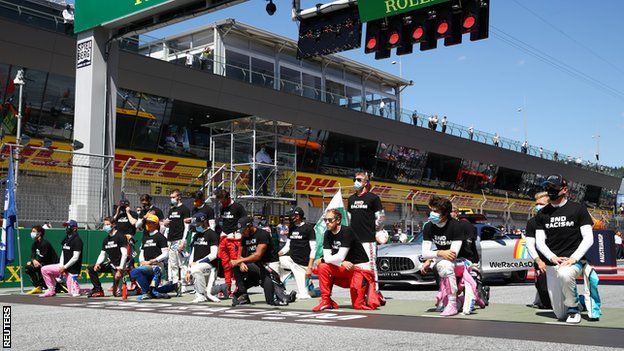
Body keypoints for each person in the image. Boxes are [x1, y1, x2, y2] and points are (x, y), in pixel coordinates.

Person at [535, 175, 595, 323]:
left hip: (574, 261)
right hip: (552, 263)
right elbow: (539, 241)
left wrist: (574, 258)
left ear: (565, 190)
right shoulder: (542, 213)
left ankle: (574, 309)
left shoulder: (578, 208)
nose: (550, 190)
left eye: (554, 188)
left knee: (565, 273)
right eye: (548, 187)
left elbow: (589, 238)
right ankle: (579, 301)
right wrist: (551, 258)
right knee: (560, 314)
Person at [313, 209, 379, 311]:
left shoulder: (347, 231)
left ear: (338, 220)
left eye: (330, 220)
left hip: (359, 269)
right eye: (325, 220)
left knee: (358, 306)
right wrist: (340, 262)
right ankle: (325, 301)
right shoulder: (327, 233)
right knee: (323, 267)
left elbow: (338, 257)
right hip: (345, 268)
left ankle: (375, 294)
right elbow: (330, 257)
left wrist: (328, 260)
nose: (327, 222)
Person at [419, 197, 469, 316]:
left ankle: (452, 304)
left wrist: (433, 256)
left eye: (436, 211)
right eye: (431, 210)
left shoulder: (456, 226)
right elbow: (425, 253)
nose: (432, 214)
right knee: (442, 264)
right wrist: (438, 254)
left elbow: (452, 255)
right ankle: (456, 300)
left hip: (463, 261)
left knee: (444, 265)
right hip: (444, 259)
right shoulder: (428, 226)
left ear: (445, 213)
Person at [230, 216, 293, 306]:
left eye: (244, 230)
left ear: (250, 226)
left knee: (271, 300)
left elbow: (257, 256)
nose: (242, 233)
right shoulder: (244, 237)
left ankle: (285, 295)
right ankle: (244, 295)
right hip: (256, 266)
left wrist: (240, 261)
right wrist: (241, 262)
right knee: (235, 266)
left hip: (269, 265)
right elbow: (240, 255)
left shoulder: (262, 234)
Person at [347, 172, 385, 297]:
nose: (355, 182)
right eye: (354, 179)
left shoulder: (373, 198)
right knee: (357, 267)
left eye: (359, 179)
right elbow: (349, 218)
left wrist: (372, 230)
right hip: (354, 240)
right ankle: (360, 291)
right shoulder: (351, 199)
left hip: (368, 239)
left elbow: (381, 218)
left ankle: (375, 292)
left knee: (371, 266)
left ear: (365, 182)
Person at [277, 207, 316, 300]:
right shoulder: (292, 228)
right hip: (293, 260)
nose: (291, 217)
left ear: (298, 216)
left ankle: (308, 285)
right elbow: (288, 246)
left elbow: (313, 249)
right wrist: (279, 253)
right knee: (275, 262)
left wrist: (310, 267)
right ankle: (281, 287)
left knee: (305, 295)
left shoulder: (308, 228)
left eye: (293, 215)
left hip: (304, 263)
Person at [39, 220, 84, 298]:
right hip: (63, 266)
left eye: (68, 226)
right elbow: (63, 252)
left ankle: (85, 290)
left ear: (74, 228)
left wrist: (65, 267)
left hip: (72, 269)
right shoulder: (66, 239)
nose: (66, 228)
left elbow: (75, 257)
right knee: (44, 269)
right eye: (65, 226)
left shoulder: (77, 240)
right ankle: (51, 290)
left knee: (74, 293)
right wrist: (61, 265)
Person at [130, 214, 170, 300]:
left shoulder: (160, 237)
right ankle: (174, 287)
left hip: (157, 265)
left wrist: (152, 261)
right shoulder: (145, 237)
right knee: (154, 292)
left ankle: (146, 293)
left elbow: (166, 254)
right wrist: (142, 262)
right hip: (146, 265)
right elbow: (142, 252)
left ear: (156, 224)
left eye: (150, 223)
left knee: (135, 272)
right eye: (147, 223)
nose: (147, 224)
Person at [215, 189, 247, 297]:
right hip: (224, 238)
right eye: (220, 201)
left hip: (234, 239)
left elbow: (245, 221)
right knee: (225, 264)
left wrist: (238, 233)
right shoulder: (222, 207)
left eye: (222, 201)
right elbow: (223, 222)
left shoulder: (238, 207)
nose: (221, 203)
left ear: (228, 198)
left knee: (235, 264)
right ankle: (227, 288)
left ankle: (239, 288)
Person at [87, 217, 129, 298]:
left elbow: (124, 254)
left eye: (108, 224)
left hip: (120, 267)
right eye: (105, 225)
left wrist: (120, 270)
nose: (105, 226)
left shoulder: (120, 236)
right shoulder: (106, 239)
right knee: (91, 268)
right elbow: (102, 254)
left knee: (116, 294)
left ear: (113, 225)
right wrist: (97, 264)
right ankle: (98, 290)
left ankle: (132, 290)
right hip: (111, 265)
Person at [185, 213, 220, 303]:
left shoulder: (212, 234)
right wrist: (189, 269)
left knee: (195, 269)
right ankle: (222, 287)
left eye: (198, 224)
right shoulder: (196, 235)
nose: (196, 226)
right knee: (208, 291)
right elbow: (192, 253)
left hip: (210, 266)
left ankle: (200, 296)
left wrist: (197, 263)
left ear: (204, 222)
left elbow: (213, 255)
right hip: (198, 266)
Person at [163, 189, 191, 292]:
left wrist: (183, 241)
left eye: (173, 197)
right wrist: (166, 224)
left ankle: (184, 284)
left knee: (182, 263)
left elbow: (186, 227)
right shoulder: (171, 210)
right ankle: (175, 284)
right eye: (171, 197)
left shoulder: (185, 209)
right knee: (173, 264)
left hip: (179, 239)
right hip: (170, 240)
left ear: (179, 197)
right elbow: (168, 225)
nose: (172, 199)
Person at [25, 226, 58, 295]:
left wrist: (33, 261)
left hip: (52, 265)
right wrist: (32, 260)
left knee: (40, 266)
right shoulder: (35, 243)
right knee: (28, 268)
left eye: (34, 231)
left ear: (39, 233)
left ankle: (48, 286)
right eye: (32, 231)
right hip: (41, 263)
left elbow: (43, 258)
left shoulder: (45, 243)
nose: (31, 233)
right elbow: (33, 255)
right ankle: (38, 287)